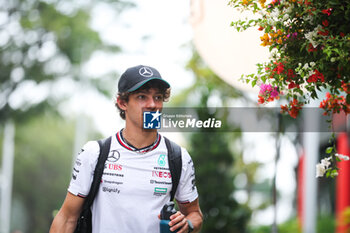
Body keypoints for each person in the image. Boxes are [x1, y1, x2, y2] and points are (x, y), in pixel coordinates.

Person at [49, 65, 203, 233]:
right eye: (142, 97)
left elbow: (194, 214)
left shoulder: (178, 157)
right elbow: (67, 218)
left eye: (158, 97)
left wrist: (187, 225)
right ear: (122, 103)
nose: (152, 105)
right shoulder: (95, 153)